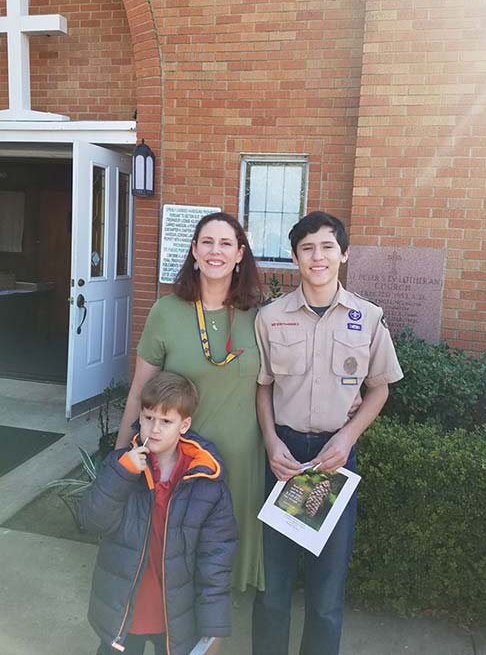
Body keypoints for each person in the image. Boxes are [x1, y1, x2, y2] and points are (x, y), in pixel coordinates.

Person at [252, 211, 404, 655]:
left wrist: (348, 437)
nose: (317, 257)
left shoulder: (368, 317)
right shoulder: (270, 318)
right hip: (283, 458)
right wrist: (270, 440)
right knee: (273, 589)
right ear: (295, 257)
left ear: (344, 254)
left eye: (326, 247)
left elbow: (379, 390)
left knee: (326, 595)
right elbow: (263, 388)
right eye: (307, 248)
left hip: (335, 461)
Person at [115, 212, 264, 591]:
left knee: (219, 577)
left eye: (226, 243)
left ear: (240, 254)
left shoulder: (259, 315)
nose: (216, 251)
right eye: (207, 242)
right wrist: (119, 460)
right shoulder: (165, 312)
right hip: (178, 464)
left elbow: (280, 382)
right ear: (194, 251)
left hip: (240, 464)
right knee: (173, 571)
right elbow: (139, 390)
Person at [80, 371, 238, 655]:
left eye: (166, 421)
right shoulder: (120, 466)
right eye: (149, 417)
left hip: (176, 614)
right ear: (139, 416)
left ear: (184, 425)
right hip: (126, 609)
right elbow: (93, 521)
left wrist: (213, 629)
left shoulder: (206, 481)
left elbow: (216, 560)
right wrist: (122, 474)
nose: (154, 429)